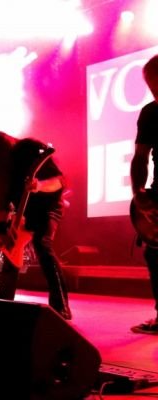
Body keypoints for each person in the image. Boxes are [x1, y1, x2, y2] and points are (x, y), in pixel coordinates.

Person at [0, 131, 72, 320]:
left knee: (42, 243)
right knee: (12, 245)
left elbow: (59, 181)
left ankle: (61, 304)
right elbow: (2, 201)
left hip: (48, 207)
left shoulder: (30, 149)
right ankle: (5, 294)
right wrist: (2, 230)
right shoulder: (2, 168)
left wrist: (39, 185)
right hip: (26, 211)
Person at [130, 54, 158, 334]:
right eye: (151, 86)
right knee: (155, 254)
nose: (155, 92)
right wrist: (138, 193)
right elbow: (140, 157)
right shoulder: (150, 113)